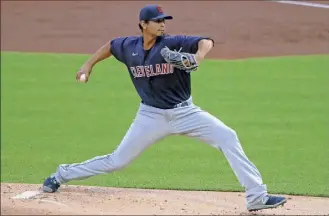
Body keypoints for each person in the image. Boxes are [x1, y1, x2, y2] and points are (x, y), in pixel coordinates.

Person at [42, 4, 287, 212]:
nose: (162, 25)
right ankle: (61, 174)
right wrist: (88, 65)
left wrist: (197, 57)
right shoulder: (129, 47)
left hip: (186, 113)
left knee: (228, 136)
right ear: (143, 24)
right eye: (157, 21)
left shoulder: (173, 43)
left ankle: (256, 197)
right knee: (117, 161)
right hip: (150, 116)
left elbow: (206, 41)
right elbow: (110, 45)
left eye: (164, 21)